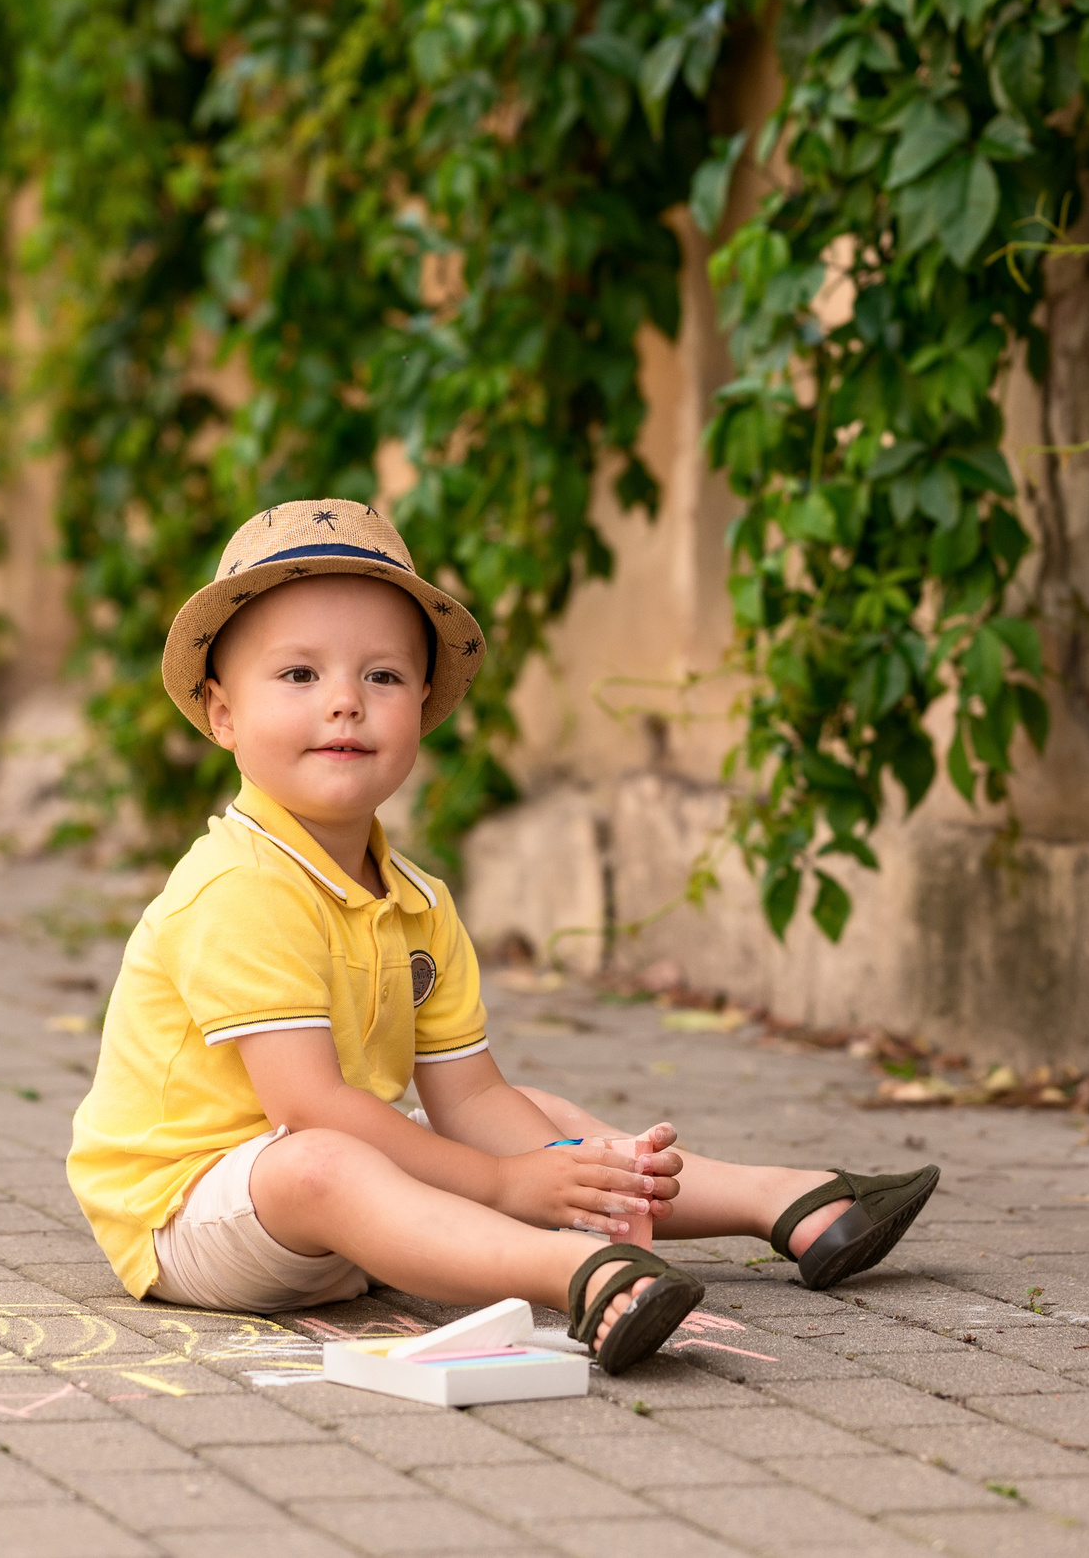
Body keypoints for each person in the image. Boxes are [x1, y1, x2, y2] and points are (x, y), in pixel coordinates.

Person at [67, 500, 939, 1371]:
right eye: (298, 676)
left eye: (382, 677)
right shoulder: (238, 887)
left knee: (544, 1123)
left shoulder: (416, 900)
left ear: (422, 704)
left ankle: (784, 1204)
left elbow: (472, 1101)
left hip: (335, 1211)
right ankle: (581, 1272)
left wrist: (554, 1174)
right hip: (190, 1213)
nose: (344, 703)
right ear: (222, 715)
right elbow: (312, 1110)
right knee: (331, 1158)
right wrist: (502, 1187)